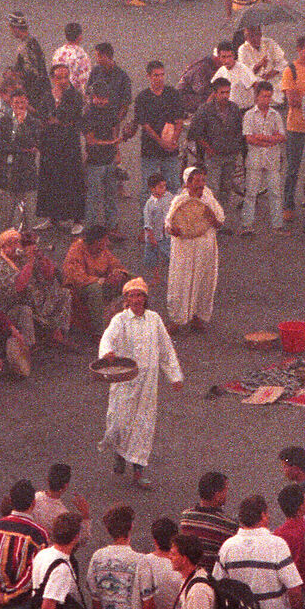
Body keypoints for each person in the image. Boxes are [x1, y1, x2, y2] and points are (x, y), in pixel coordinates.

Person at [95, 277, 182, 491]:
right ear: (126, 299)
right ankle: (119, 453)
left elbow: (165, 348)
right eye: (131, 296)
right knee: (119, 421)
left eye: (139, 295)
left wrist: (174, 375)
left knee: (143, 425)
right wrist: (107, 352)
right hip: (125, 380)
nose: (136, 300)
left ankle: (138, 470)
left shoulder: (154, 319)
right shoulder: (120, 320)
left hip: (147, 383)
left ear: (145, 298)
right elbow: (107, 338)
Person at [163, 166, 225, 332]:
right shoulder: (179, 201)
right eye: (197, 181)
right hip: (185, 250)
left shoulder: (208, 197)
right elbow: (169, 224)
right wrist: (173, 230)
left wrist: (212, 218)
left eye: (203, 180)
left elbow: (220, 221)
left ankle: (198, 317)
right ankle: (178, 319)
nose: (201, 184)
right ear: (187, 183)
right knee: (181, 282)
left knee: (204, 281)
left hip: (205, 247)